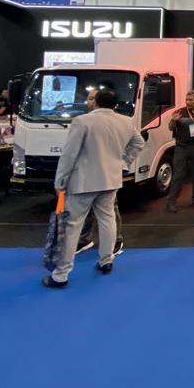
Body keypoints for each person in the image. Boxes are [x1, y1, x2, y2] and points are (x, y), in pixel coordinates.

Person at [42, 88, 144, 289]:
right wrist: (123, 162)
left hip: (83, 181)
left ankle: (61, 275)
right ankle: (106, 261)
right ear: (115, 104)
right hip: (111, 179)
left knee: (72, 226)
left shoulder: (82, 121)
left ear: (96, 101)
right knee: (108, 220)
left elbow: (69, 154)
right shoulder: (126, 121)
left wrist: (60, 181)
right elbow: (138, 143)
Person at [75, 88, 126, 256]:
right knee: (86, 208)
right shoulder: (82, 120)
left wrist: (123, 163)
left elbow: (133, 143)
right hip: (85, 173)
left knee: (111, 208)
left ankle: (116, 240)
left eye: (93, 98)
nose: (91, 101)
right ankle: (84, 239)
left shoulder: (115, 121)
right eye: (89, 98)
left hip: (106, 173)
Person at [166, 90, 194, 213]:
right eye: (187, 99)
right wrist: (174, 120)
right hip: (181, 147)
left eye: (191, 100)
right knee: (178, 175)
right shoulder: (180, 112)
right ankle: (171, 201)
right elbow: (170, 127)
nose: (188, 102)